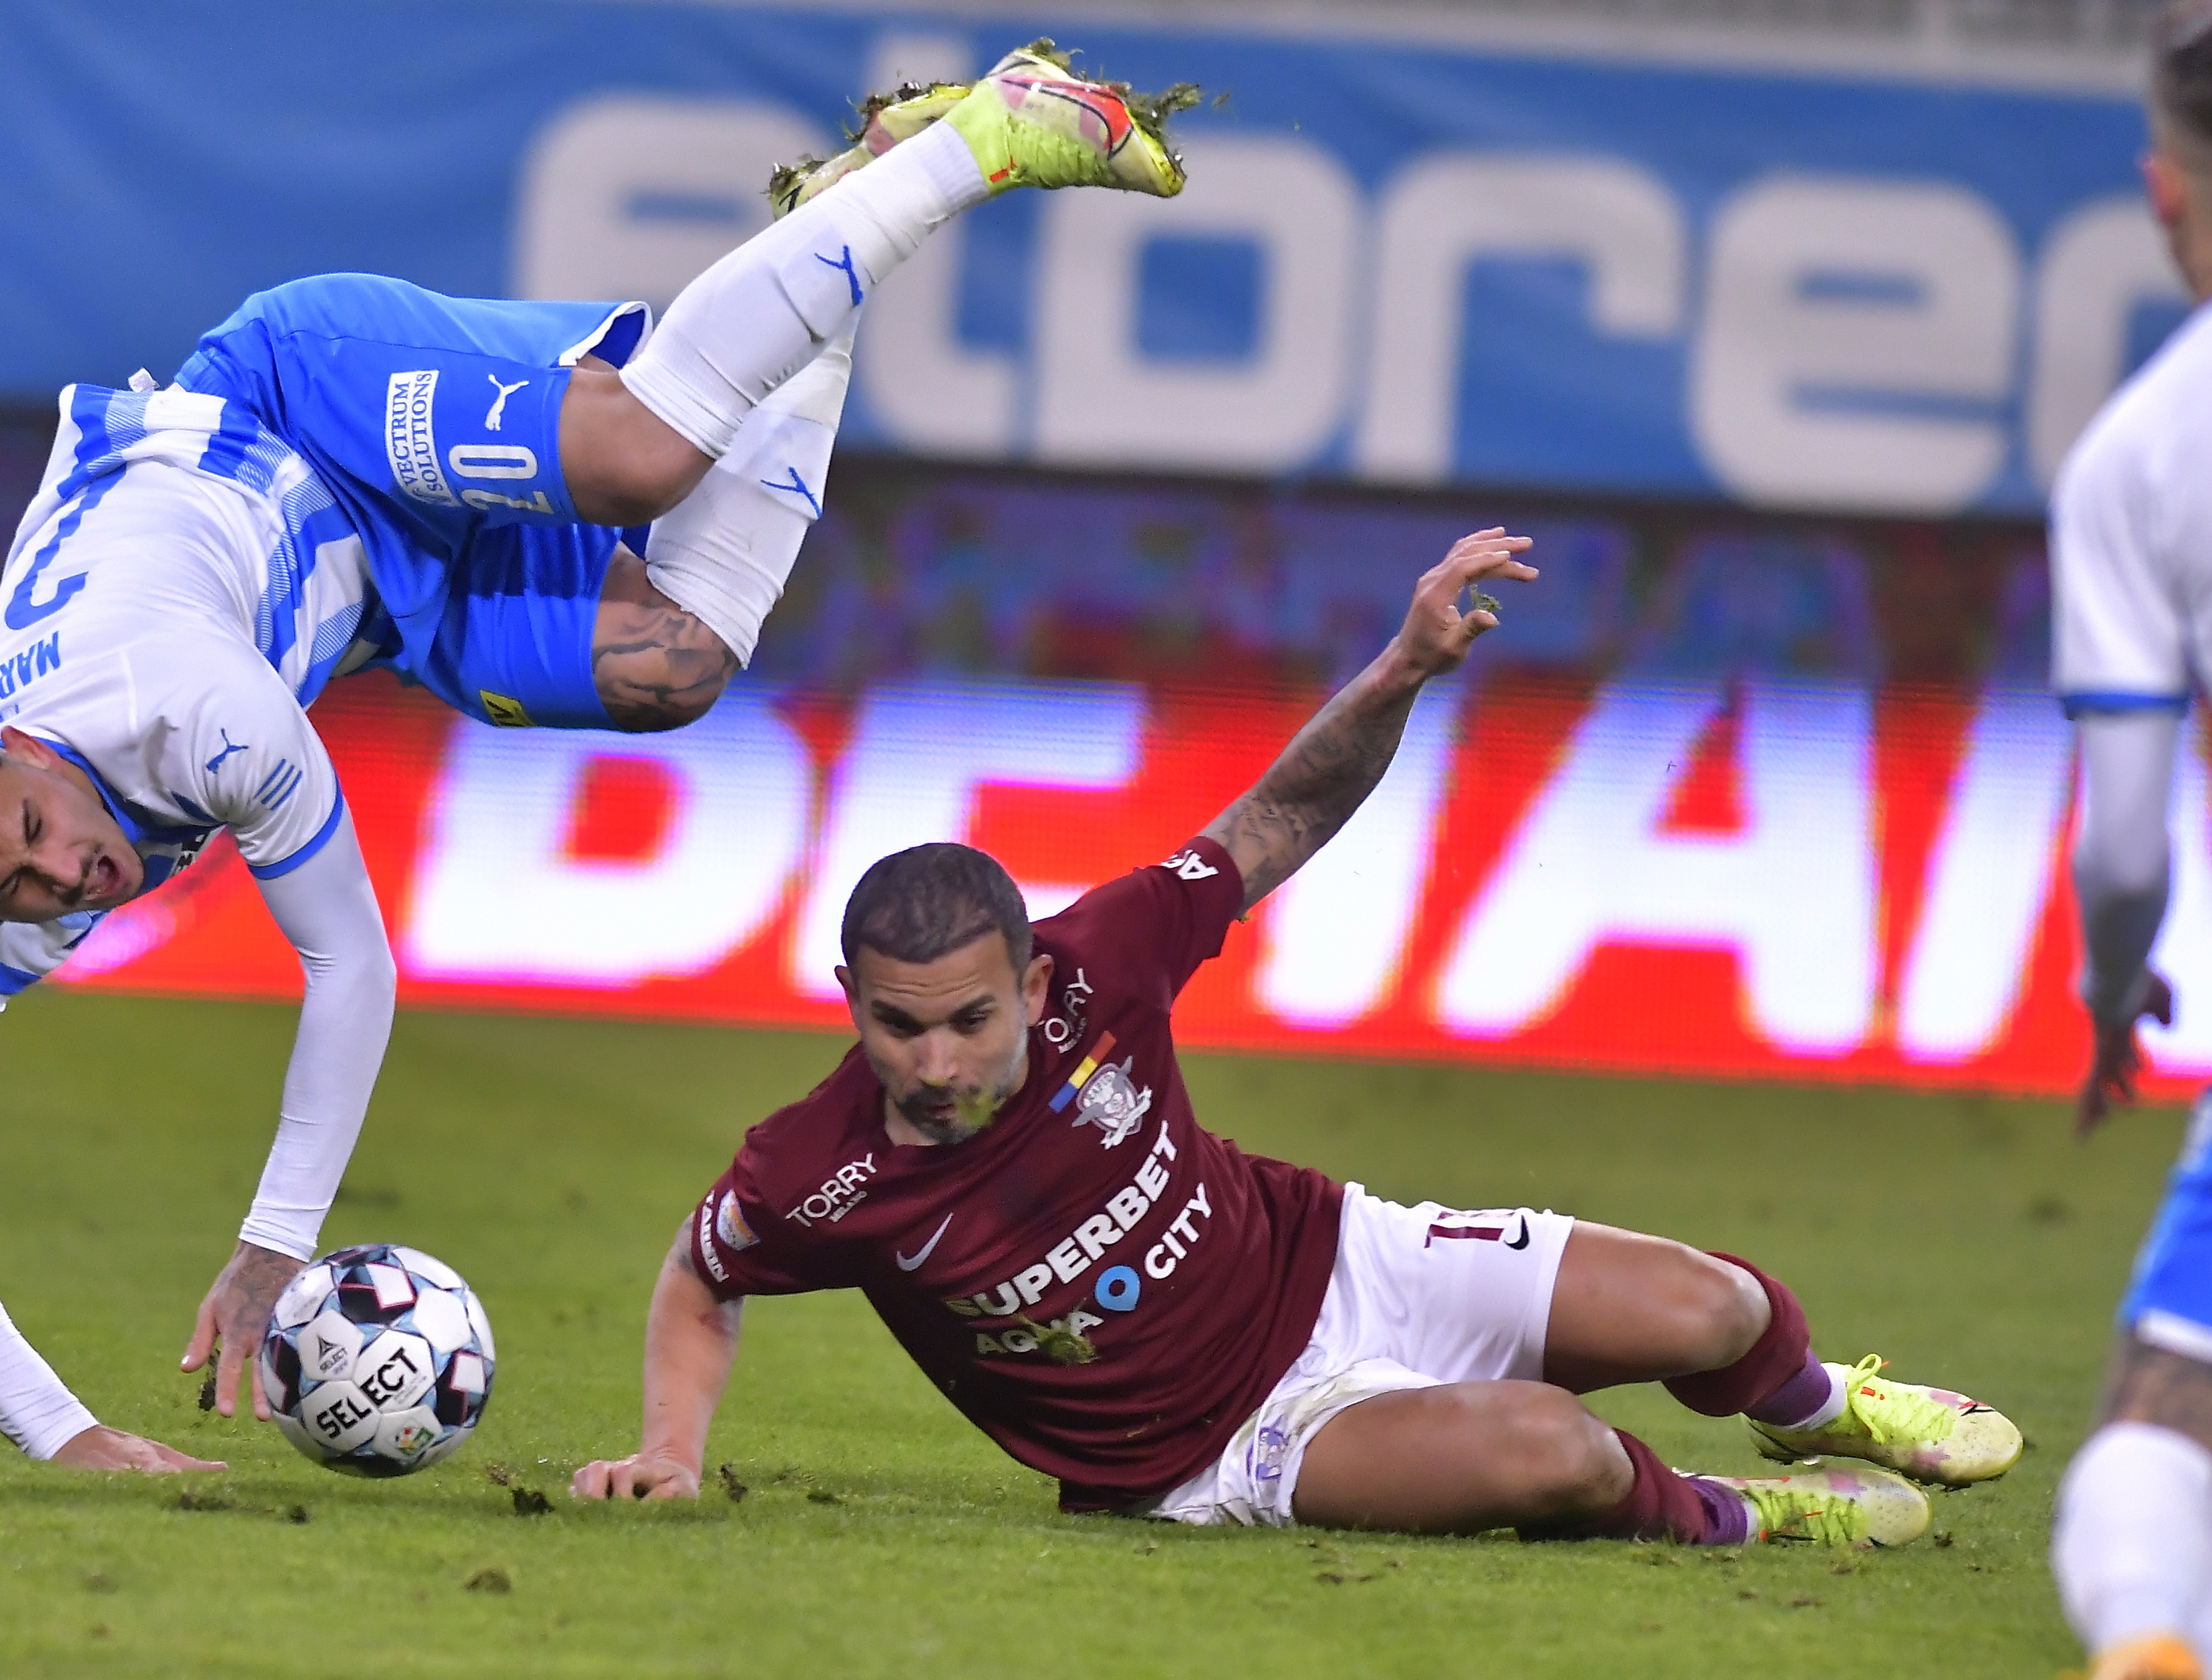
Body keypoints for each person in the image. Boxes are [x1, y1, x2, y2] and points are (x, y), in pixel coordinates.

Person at [0, 43, 1190, 1473]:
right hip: (364, 603)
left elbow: (351, 965)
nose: (72, 867)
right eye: (27, 885)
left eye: (37, 822)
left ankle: (994, 132)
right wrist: (68, 1441)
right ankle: (838, 213)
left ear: (6, 751)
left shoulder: (191, 706)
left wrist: (266, 1249)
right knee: (675, 667)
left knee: (642, 457)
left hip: (295, 410)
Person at [573, 529, 2022, 1546]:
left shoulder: (1109, 960)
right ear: (851, 1002)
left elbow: (1277, 819)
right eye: (900, 1028)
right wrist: (670, 1452)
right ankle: (1737, 1517)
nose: (938, 1064)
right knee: (1561, 1456)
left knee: (1717, 1311)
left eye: (970, 1020)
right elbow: (704, 1275)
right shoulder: (818, 1172)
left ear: (1029, 981)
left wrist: (1401, 668)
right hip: (1224, 1450)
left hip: (1344, 1257)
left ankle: (1819, 1411)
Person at [2046, 0, 2212, 1680]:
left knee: (2165, 1418)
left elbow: (2125, 846)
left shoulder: (2145, 459)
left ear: (2163, 193)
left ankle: (2156, 1638)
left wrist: (2114, 999)